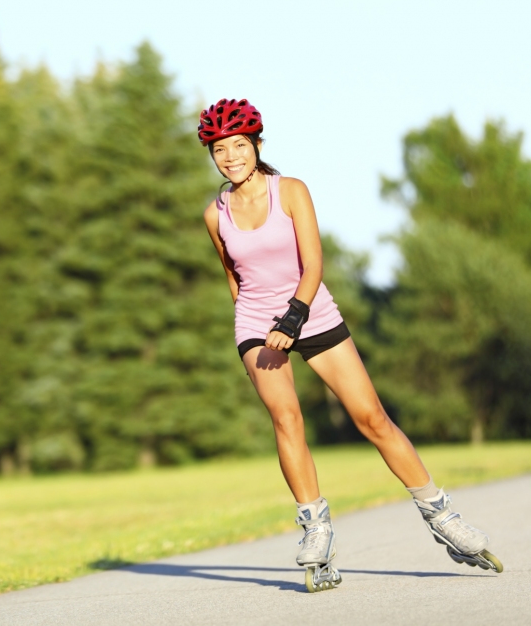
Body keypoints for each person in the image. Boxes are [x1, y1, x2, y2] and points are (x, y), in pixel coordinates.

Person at [198, 98, 502, 592]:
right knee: (286, 418)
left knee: (372, 418)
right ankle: (315, 528)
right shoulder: (215, 214)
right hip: (257, 320)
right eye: (219, 149)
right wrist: (253, 327)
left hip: (309, 310)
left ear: (255, 145)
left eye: (238, 145)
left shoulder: (290, 191)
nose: (230, 156)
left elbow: (313, 264)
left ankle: (442, 516)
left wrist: (293, 318)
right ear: (211, 155)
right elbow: (235, 279)